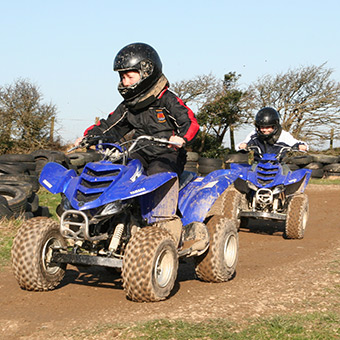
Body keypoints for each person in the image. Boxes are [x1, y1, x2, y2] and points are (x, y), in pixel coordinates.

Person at [75, 42, 199, 177]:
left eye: (130, 77)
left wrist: (181, 138)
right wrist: (89, 137)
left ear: (147, 73)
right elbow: (110, 126)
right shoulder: (129, 106)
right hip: (140, 153)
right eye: (122, 77)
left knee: (157, 175)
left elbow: (190, 122)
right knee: (119, 171)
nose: (125, 82)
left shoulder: (167, 100)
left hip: (168, 155)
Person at [237, 107, 308, 162]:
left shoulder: (283, 135)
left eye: (268, 127)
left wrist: (301, 146)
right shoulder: (254, 134)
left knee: (288, 173)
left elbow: (295, 143)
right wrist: (242, 145)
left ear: (275, 126)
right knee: (248, 174)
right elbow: (243, 143)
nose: (265, 130)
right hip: (258, 164)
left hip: (279, 164)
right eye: (262, 127)